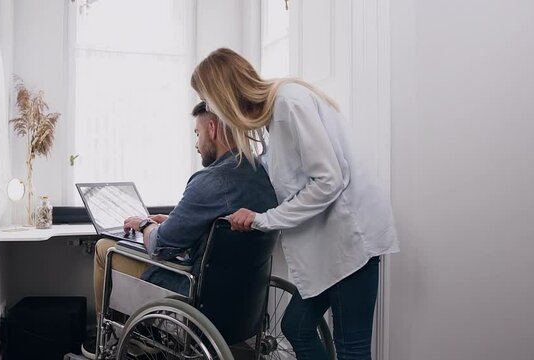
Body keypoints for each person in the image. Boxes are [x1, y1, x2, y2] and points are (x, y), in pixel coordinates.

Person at [190, 48, 400, 360]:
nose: (210, 109)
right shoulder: (272, 118)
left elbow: (329, 179)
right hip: (333, 243)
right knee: (298, 327)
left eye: (208, 100)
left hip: (350, 240)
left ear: (223, 92)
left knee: (351, 348)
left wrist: (264, 220)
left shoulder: (288, 102)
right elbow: (282, 181)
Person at [83, 101, 277, 358]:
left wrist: (145, 224)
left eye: (197, 134)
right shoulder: (260, 175)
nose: (196, 144)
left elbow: (160, 246)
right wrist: (173, 219)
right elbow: (216, 228)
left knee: (104, 248)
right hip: (241, 301)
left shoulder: (210, 180)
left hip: (192, 291)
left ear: (212, 128)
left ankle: (117, 338)